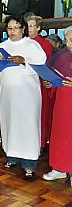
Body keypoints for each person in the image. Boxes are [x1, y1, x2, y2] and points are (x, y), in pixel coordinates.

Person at [0, 15, 46, 179]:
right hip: (8, 94)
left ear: (23, 28)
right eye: (9, 28)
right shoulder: (3, 46)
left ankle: (29, 163)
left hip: (28, 95)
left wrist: (24, 61)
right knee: (10, 123)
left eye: (15, 28)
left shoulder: (32, 45)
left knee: (28, 126)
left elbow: (41, 65)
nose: (12, 31)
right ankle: (12, 156)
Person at [42, 26, 72, 187]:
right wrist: (49, 83)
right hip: (62, 102)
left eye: (71, 39)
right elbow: (54, 75)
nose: (68, 43)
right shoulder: (62, 55)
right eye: (66, 40)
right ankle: (59, 168)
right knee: (60, 134)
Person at [26, 15, 54, 150]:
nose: (28, 29)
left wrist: (45, 80)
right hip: (25, 84)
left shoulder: (44, 44)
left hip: (40, 82)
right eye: (27, 26)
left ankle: (41, 143)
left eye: (31, 26)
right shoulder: (23, 42)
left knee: (41, 114)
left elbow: (47, 64)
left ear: (38, 28)